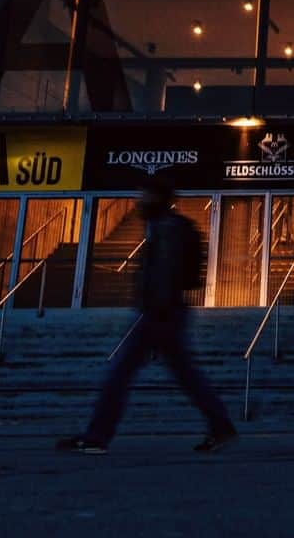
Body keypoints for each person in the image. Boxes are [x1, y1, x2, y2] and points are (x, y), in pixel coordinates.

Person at [56, 176, 236, 454]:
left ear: (156, 197)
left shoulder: (166, 229)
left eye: (143, 195)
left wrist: (155, 308)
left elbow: (164, 271)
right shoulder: (163, 227)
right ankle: (220, 425)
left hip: (159, 313)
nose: (137, 200)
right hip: (166, 312)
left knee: (120, 373)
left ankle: (97, 436)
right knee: (185, 374)